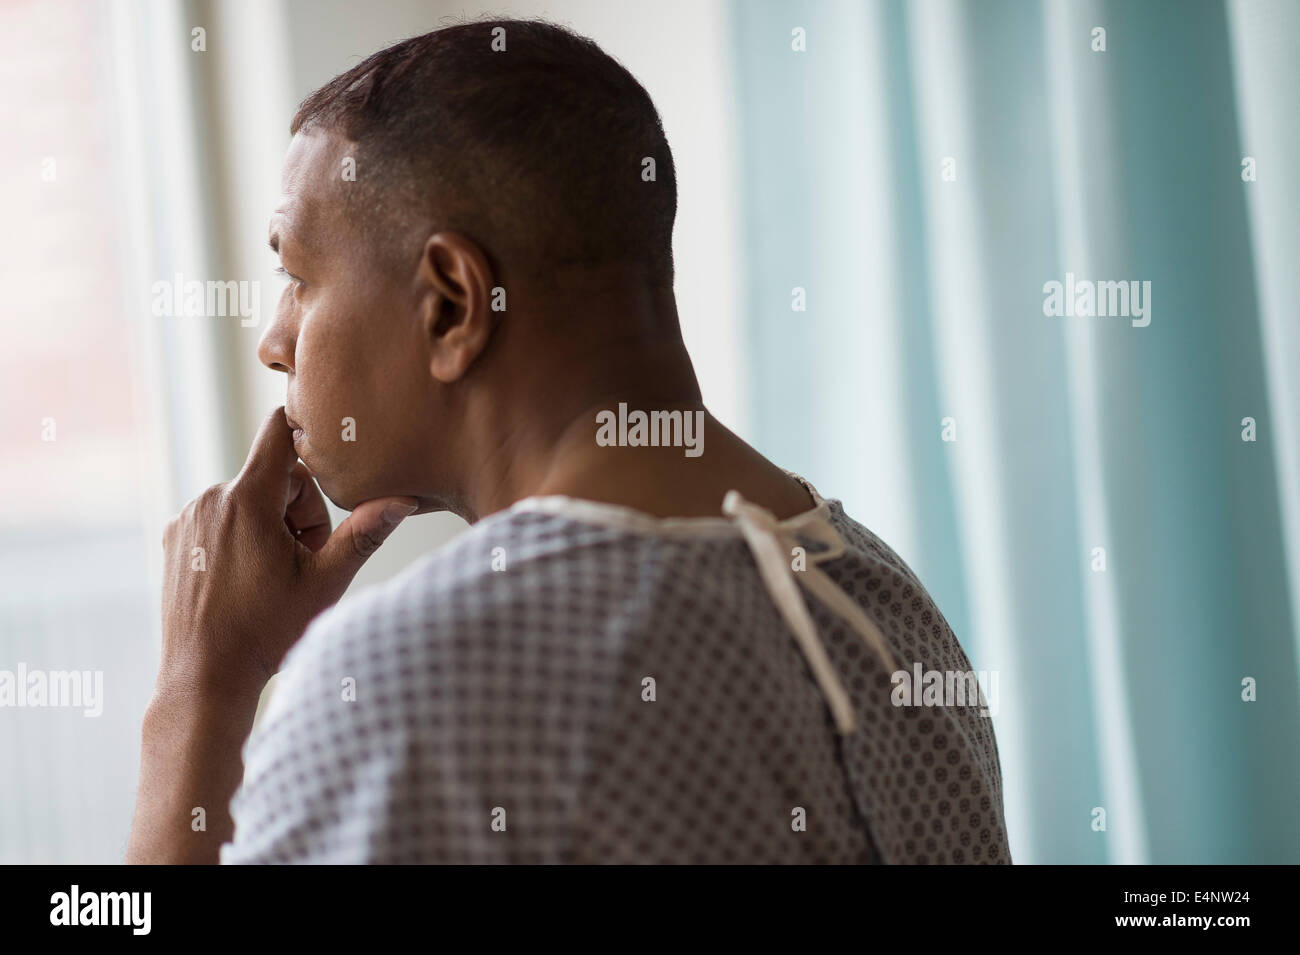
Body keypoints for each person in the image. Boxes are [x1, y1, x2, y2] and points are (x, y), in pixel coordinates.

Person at [126, 18, 1010, 864]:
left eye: (295, 274)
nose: (272, 341)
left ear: (451, 304)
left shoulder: (411, 689)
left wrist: (201, 689)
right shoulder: (890, 610)